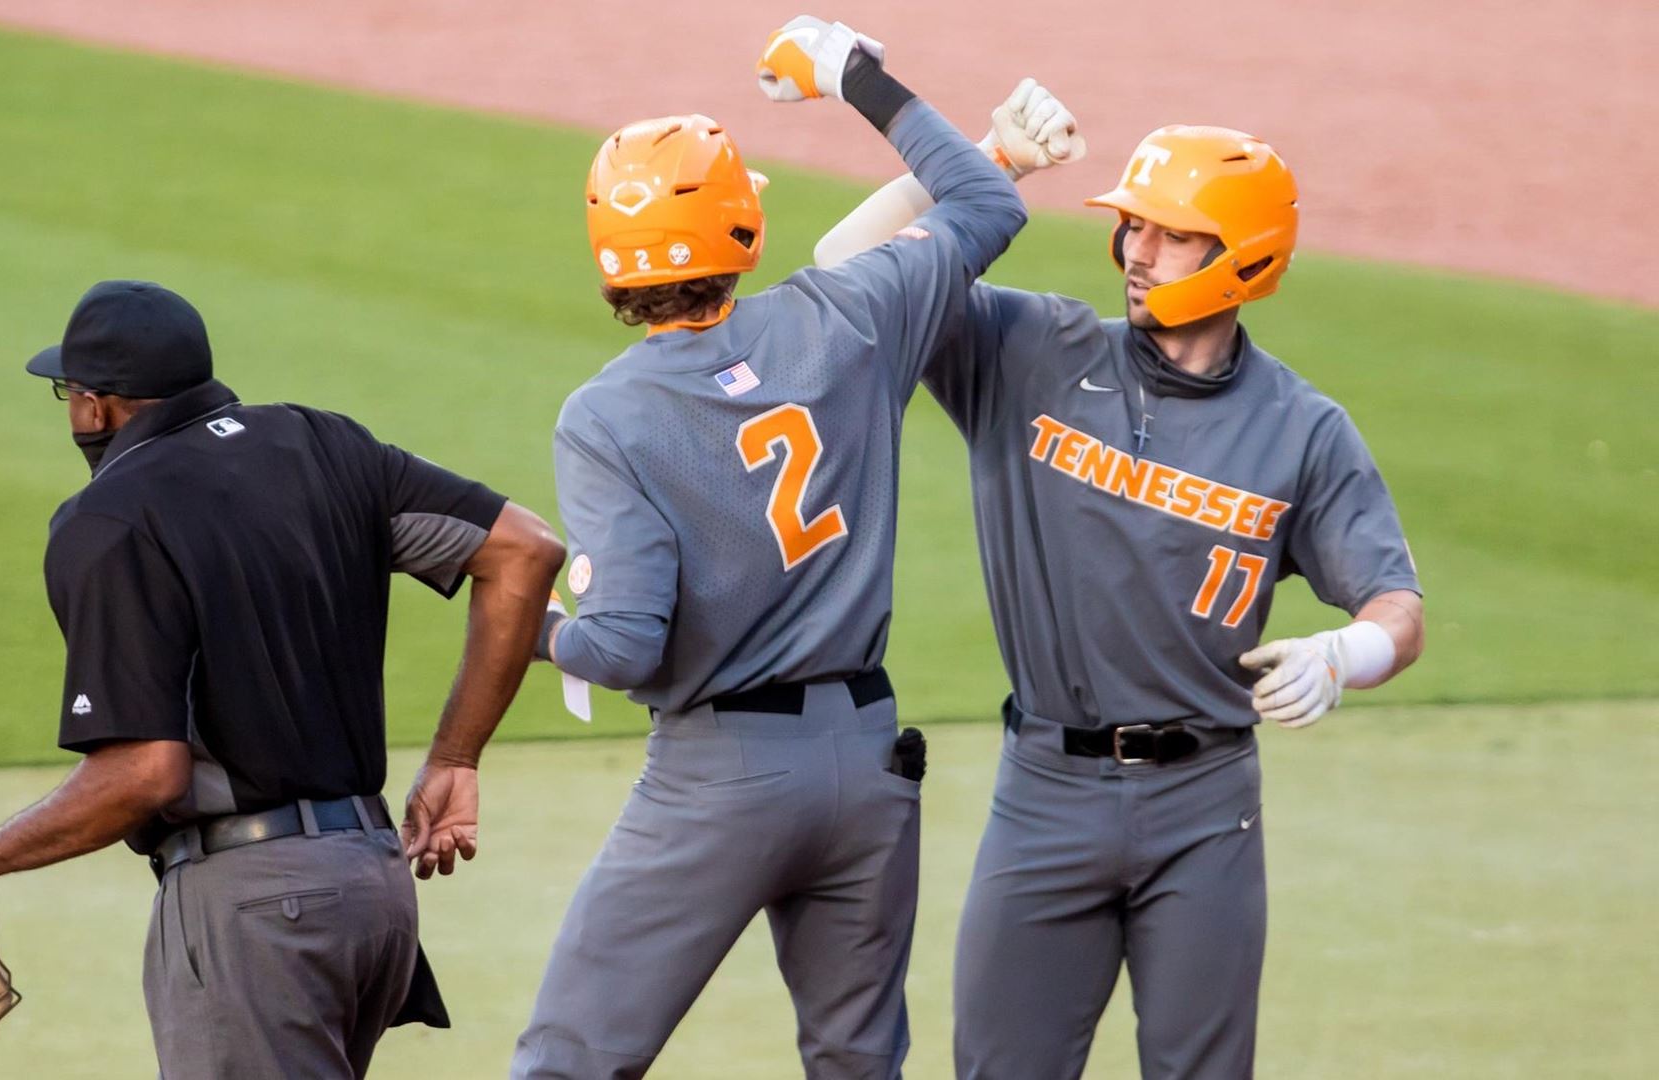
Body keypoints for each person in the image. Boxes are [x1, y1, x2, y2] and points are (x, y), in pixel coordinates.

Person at [817, 90, 1426, 1079]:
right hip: (1044, 794)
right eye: (1132, 225)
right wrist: (988, 161)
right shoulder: (1033, 351)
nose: (1138, 251)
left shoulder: (1303, 430)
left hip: (1206, 805)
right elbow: (844, 273)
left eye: (1172, 234)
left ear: (1246, 255)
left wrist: (1343, 654)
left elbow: (1398, 607)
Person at [507, 17, 1032, 1079]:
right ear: (742, 224)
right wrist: (855, 76)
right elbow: (988, 198)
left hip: (722, 780)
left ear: (612, 256)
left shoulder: (606, 417)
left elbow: (619, 646)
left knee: (569, 1061)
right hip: (869, 762)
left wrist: (525, 626)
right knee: (856, 1065)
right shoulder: (850, 314)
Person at [0, 279, 564, 1078]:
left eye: (70, 393)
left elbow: (145, 771)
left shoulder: (107, 519)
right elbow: (524, 549)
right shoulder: (324, 442)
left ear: (96, 407)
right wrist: (455, 758)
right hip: (374, 887)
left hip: (256, 909)